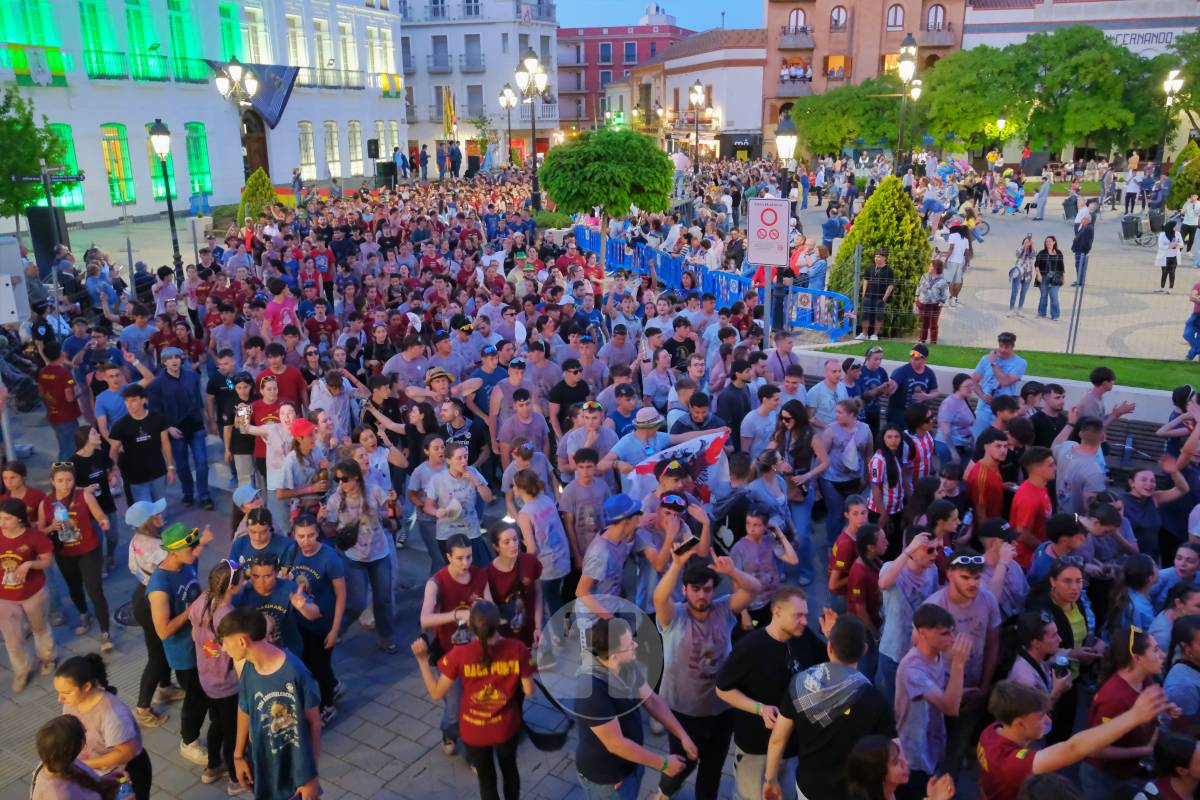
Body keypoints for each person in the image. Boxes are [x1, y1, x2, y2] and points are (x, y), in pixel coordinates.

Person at [653, 552, 761, 800]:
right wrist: (677, 564)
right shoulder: (675, 616)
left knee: (713, 768)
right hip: (682, 712)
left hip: (722, 709)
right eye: (696, 589)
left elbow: (754, 589)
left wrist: (732, 571)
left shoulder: (723, 608)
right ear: (684, 589)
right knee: (681, 765)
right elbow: (659, 598)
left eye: (708, 589)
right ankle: (665, 792)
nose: (702, 595)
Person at [763, 614, 896, 800]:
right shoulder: (875, 700)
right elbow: (892, 754)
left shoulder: (800, 684)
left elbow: (778, 739)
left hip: (809, 789)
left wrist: (770, 780)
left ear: (829, 647)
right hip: (852, 793)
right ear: (865, 650)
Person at [411, 601, 533, 800]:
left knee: (486, 780)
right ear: (499, 623)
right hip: (506, 727)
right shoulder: (517, 649)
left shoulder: (460, 653)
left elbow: (435, 692)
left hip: (474, 730)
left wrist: (423, 661)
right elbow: (528, 690)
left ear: (470, 627)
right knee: (510, 771)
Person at [976, 679, 1172, 800]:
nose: (1047, 720)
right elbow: (1072, 749)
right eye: (1041, 717)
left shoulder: (992, 731)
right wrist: (1133, 717)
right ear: (1019, 723)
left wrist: (1054, 693)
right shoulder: (1011, 764)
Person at [573, 616, 696, 800]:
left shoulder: (625, 665)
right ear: (613, 655)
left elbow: (651, 701)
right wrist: (663, 764)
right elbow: (616, 744)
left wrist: (682, 735)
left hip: (632, 764)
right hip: (608, 781)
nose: (636, 646)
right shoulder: (591, 691)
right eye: (630, 644)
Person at [218, 607, 322, 800]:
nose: (223, 648)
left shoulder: (295, 673)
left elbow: (315, 723)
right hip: (262, 764)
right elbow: (245, 707)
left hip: (294, 773)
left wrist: (312, 778)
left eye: (224, 642)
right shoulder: (249, 668)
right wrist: (238, 756)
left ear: (242, 641)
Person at [925, 549, 1002, 779]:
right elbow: (922, 658)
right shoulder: (934, 608)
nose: (973, 583)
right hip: (938, 692)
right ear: (949, 574)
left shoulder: (988, 600)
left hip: (973, 692)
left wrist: (985, 687)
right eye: (965, 577)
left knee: (958, 748)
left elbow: (992, 645)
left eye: (977, 578)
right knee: (932, 747)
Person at [419, 533, 492, 757]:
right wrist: (456, 614)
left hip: (476, 651)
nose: (465, 563)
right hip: (448, 653)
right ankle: (449, 732)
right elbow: (425, 619)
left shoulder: (480, 575)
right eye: (460, 558)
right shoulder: (436, 582)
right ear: (448, 557)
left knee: (475, 703)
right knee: (454, 707)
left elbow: (491, 608)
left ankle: (474, 750)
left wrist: (484, 610)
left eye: (469, 557)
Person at [146, 522, 212, 768]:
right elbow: (162, 631)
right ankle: (189, 742)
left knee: (206, 694)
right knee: (196, 699)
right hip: (184, 656)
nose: (194, 553)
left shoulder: (185, 565)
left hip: (200, 647)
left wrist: (204, 540)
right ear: (173, 552)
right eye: (190, 549)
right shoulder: (159, 586)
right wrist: (190, 612)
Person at [894, 604, 972, 800]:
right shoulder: (913, 670)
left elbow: (941, 693)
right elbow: (950, 707)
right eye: (944, 634)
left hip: (932, 745)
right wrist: (958, 664)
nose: (952, 639)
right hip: (914, 757)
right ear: (922, 633)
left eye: (952, 632)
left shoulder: (936, 657)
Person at [53, 655, 154, 800]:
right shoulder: (71, 703)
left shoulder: (113, 714)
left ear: (86, 687)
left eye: (66, 692)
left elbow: (126, 753)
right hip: (95, 774)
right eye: (59, 692)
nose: (60, 698)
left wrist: (83, 765)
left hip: (123, 775)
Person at [322, 459, 395, 652]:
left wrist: (392, 506)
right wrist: (323, 520)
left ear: (355, 477)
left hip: (379, 552)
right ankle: (337, 630)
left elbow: (394, 512)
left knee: (383, 599)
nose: (340, 484)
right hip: (353, 556)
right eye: (337, 480)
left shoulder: (373, 491)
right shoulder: (336, 499)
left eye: (344, 479)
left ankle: (385, 637)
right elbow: (329, 530)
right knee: (357, 602)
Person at [187, 560, 247, 793]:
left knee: (217, 723)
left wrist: (210, 650)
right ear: (232, 586)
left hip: (206, 678)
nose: (245, 581)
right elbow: (237, 651)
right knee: (232, 730)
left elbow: (195, 636)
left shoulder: (200, 602)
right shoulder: (227, 615)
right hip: (227, 682)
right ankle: (235, 779)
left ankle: (213, 766)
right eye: (242, 578)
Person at [39, 463, 112, 650]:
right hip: (65, 552)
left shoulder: (83, 495)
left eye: (69, 480)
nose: (65, 485)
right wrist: (50, 528)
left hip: (88, 548)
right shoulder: (46, 502)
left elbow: (98, 513)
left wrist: (103, 521)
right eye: (60, 481)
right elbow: (40, 530)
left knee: (95, 589)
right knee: (74, 588)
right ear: (52, 481)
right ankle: (83, 613)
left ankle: (105, 632)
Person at [0, 497, 56, 692]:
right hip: (5, 597)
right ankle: (21, 670)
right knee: (12, 639)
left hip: (33, 592)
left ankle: (47, 658)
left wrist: (30, 564)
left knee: (39, 629)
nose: (2, 523)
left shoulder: (34, 537)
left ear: (20, 519)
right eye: (0, 518)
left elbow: (47, 560)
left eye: (7, 519)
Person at [148, 346, 212, 509]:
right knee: (182, 465)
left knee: (202, 463)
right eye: (170, 358)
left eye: (177, 356)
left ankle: (204, 496)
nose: (174, 360)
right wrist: (168, 427)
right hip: (175, 428)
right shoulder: (157, 384)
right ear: (164, 362)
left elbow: (199, 400)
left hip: (195, 424)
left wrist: (206, 421)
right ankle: (188, 493)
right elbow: (155, 410)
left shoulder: (192, 377)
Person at [31, 714, 124, 800]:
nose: (86, 730)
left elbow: (86, 782)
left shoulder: (57, 761)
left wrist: (109, 780)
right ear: (72, 748)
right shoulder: (59, 795)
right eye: (82, 733)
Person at [844, 734, 955, 800]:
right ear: (878, 773)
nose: (905, 763)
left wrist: (931, 797)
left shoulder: (889, 792)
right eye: (895, 762)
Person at [1034, 236, 1065, 321]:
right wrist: (1038, 275)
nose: (1048, 243)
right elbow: (1036, 264)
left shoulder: (1059, 253)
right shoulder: (1041, 252)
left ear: (1054, 242)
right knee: (1043, 296)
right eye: (1047, 241)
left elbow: (1061, 266)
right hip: (1043, 277)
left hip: (1055, 278)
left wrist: (1063, 277)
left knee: (1054, 296)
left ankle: (1055, 315)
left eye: (1050, 241)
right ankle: (1041, 313)